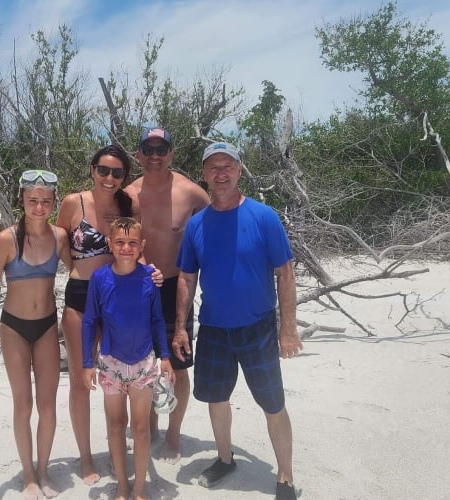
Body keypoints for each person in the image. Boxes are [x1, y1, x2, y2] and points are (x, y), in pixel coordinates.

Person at [173, 142, 302, 500]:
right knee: (216, 398)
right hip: (213, 327)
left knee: (272, 403)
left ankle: (285, 477)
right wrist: (181, 326)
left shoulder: (264, 216)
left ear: (240, 170)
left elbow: (285, 272)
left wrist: (287, 328)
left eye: (227, 165)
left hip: (257, 326)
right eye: (213, 167)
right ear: (204, 175)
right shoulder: (197, 224)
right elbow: (186, 277)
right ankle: (225, 459)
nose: (221, 173)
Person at [0, 169, 70, 500]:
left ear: (54, 203)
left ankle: (43, 470)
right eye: (33, 201)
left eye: (46, 202)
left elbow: (82, 270)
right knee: (23, 403)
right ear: (22, 201)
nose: (40, 208)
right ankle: (28, 475)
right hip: (14, 327)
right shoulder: (7, 239)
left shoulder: (60, 237)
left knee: (48, 405)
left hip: (46, 326)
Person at [125, 127, 210, 463]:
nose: (156, 156)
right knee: (144, 364)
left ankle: (174, 435)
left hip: (178, 287)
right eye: (149, 149)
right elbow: (123, 238)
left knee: (178, 363)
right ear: (140, 154)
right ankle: (151, 426)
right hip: (139, 286)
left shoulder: (191, 194)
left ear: (172, 153)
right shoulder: (129, 194)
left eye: (162, 149)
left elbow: (215, 227)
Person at [57, 145, 136, 485]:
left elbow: (134, 248)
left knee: (116, 380)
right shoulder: (74, 203)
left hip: (117, 299)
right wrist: (77, 270)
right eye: (103, 170)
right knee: (80, 381)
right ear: (92, 170)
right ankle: (86, 457)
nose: (109, 178)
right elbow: (59, 239)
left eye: (117, 173)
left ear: (124, 178)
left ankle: (115, 446)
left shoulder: (126, 207)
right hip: (80, 296)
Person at [81, 217, 174, 500]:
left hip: (144, 362)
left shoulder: (149, 277)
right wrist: (87, 362)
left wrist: (165, 356)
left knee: (141, 427)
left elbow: (158, 320)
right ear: (110, 244)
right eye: (119, 242)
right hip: (111, 362)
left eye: (133, 243)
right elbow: (89, 321)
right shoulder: (100, 278)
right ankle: (122, 485)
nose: (126, 248)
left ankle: (141, 488)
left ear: (142, 245)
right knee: (116, 425)